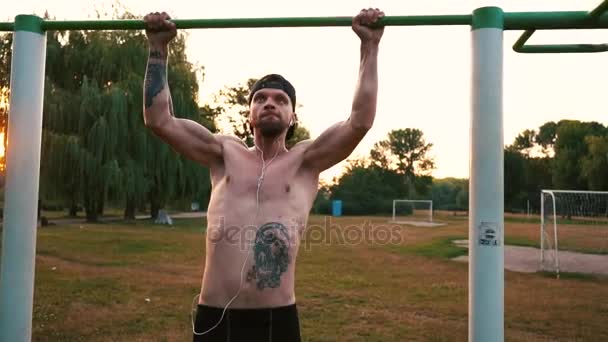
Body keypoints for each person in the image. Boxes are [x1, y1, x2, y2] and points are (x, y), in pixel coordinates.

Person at [143, 8, 385, 342]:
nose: (269, 103)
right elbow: (159, 121)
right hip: (216, 315)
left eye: (280, 100)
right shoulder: (223, 153)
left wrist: (369, 47)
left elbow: (359, 121)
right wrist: (158, 48)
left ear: (293, 117)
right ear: (249, 116)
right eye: (260, 99)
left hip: (277, 318)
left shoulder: (306, 161)